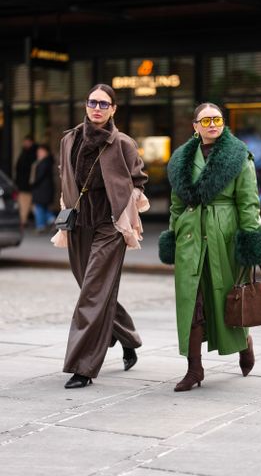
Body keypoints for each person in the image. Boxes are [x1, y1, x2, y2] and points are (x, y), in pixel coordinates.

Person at [159, 102, 261, 392]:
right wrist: (174, 231)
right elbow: (176, 204)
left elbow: (248, 203)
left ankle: (244, 342)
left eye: (217, 119)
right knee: (191, 300)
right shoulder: (181, 158)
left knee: (228, 297)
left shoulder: (238, 156)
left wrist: (249, 242)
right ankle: (194, 369)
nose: (212, 124)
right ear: (195, 126)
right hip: (189, 237)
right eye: (205, 120)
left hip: (225, 233)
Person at [59, 83, 148, 389]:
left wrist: (127, 209)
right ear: (86, 106)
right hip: (80, 223)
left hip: (110, 226)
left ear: (113, 109)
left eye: (104, 104)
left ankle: (83, 366)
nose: (97, 108)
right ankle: (127, 338)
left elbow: (139, 180)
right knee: (90, 286)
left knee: (93, 292)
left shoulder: (122, 143)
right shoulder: (69, 139)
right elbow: (66, 178)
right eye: (92, 102)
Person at [30, 144, 55, 233]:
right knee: (43, 207)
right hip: (43, 189)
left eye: (41, 152)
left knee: (39, 207)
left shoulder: (44, 162)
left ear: (46, 153)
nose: (39, 153)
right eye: (38, 152)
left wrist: (33, 184)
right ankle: (53, 221)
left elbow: (39, 176)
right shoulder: (44, 161)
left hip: (42, 189)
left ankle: (41, 226)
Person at [15, 135, 37, 226]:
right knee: (27, 203)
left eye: (27, 141)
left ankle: (23, 221)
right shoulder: (24, 152)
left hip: (27, 184)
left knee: (27, 203)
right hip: (23, 183)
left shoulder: (32, 154)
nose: (25, 143)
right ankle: (24, 221)